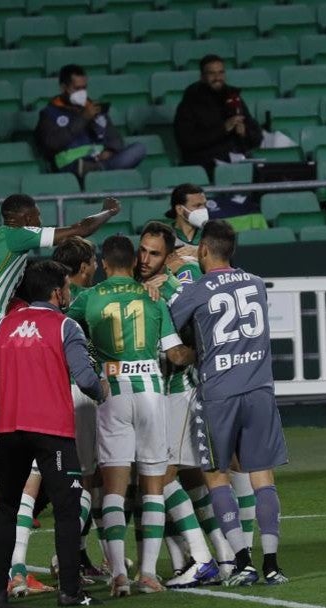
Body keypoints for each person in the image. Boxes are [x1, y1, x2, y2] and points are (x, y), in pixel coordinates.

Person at [0, 194, 120, 594]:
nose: (39, 222)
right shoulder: (16, 236)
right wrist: (108, 212)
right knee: (25, 419)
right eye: (35, 216)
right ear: (19, 217)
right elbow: (79, 230)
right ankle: (19, 563)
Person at [67, 235, 210, 596]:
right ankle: (148, 573)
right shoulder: (153, 298)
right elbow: (176, 356)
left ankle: (118, 575)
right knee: (152, 484)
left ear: (101, 262)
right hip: (150, 388)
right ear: (133, 263)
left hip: (111, 390)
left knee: (113, 486)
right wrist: (201, 352)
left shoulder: (88, 299)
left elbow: (62, 327)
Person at [0, 260, 108, 607]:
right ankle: (69, 591)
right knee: (66, 509)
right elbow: (87, 380)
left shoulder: (3, 325)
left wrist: (14, 390)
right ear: (55, 292)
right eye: (65, 286)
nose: (67, 292)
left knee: (6, 508)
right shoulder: (65, 327)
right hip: (53, 430)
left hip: (11, 428)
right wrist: (102, 390)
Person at [169, 220, 289, 586]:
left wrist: (177, 281)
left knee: (217, 477)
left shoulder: (198, 289)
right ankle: (272, 564)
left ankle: (241, 562)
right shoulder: (255, 283)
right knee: (262, 477)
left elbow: (173, 323)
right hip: (259, 389)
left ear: (203, 250)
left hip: (218, 393)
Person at [135, 222, 237, 581]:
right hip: (160, 394)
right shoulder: (143, 286)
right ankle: (226, 560)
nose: (146, 259)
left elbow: (191, 341)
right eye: (143, 250)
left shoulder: (177, 286)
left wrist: (198, 356)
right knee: (192, 479)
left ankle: (202, 558)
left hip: (179, 392)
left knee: (159, 477)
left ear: (170, 256)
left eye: (155, 253)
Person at [2, 237, 100, 597]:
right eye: (93, 260)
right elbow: (87, 375)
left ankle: (16, 569)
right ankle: (68, 568)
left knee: (27, 488)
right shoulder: (79, 308)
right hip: (63, 406)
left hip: (16, 418)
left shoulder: (12, 318)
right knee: (82, 485)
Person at [36, 64, 146, 180]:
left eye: (84, 88)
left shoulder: (94, 108)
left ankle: (98, 170)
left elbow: (114, 137)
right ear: (64, 88)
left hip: (100, 161)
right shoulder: (49, 113)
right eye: (77, 88)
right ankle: (99, 172)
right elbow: (51, 144)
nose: (82, 93)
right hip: (72, 167)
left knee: (139, 149)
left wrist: (110, 150)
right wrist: (83, 118)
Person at [174, 55, 263, 174]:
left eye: (221, 72)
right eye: (212, 73)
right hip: (205, 164)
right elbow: (187, 142)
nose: (217, 77)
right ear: (202, 77)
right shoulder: (189, 103)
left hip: (240, 159)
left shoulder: (234, 99)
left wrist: (244, 133)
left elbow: (257, 137)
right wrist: (223, 129)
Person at [164, 183, 211, 252]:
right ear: (179, 209)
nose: (203, 209)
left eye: (204, 205)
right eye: (197, 206)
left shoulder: (212, 236)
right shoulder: (164, 236)